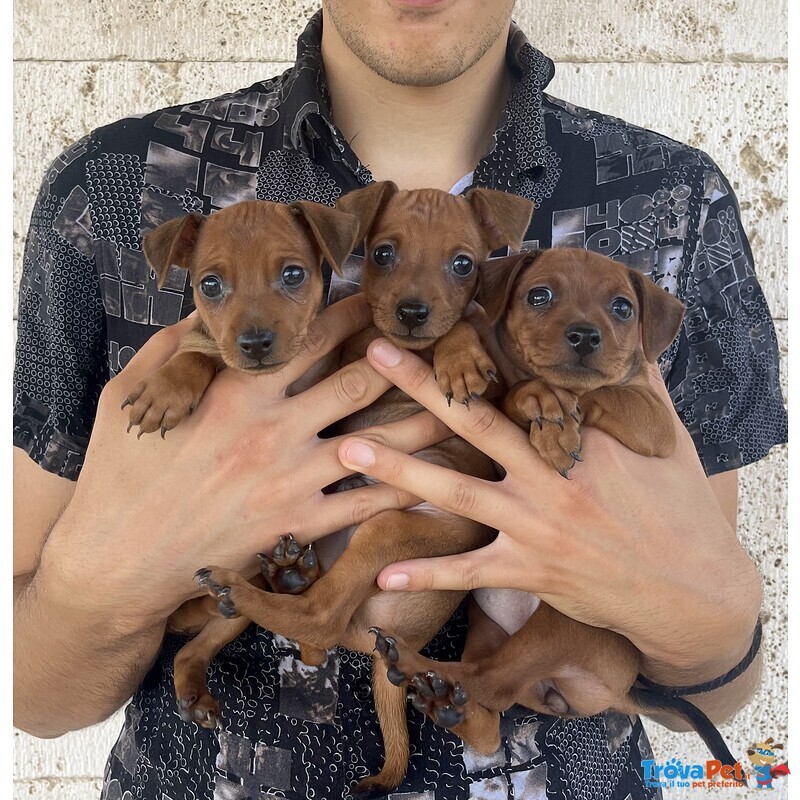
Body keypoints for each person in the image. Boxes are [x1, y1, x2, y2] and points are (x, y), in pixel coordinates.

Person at [13, 1, 786, 798]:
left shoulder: (676, 200)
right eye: (382, 257)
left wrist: (699, 615)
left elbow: (711, 678)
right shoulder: (112, 187)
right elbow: (30, 701)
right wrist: (112, 576)